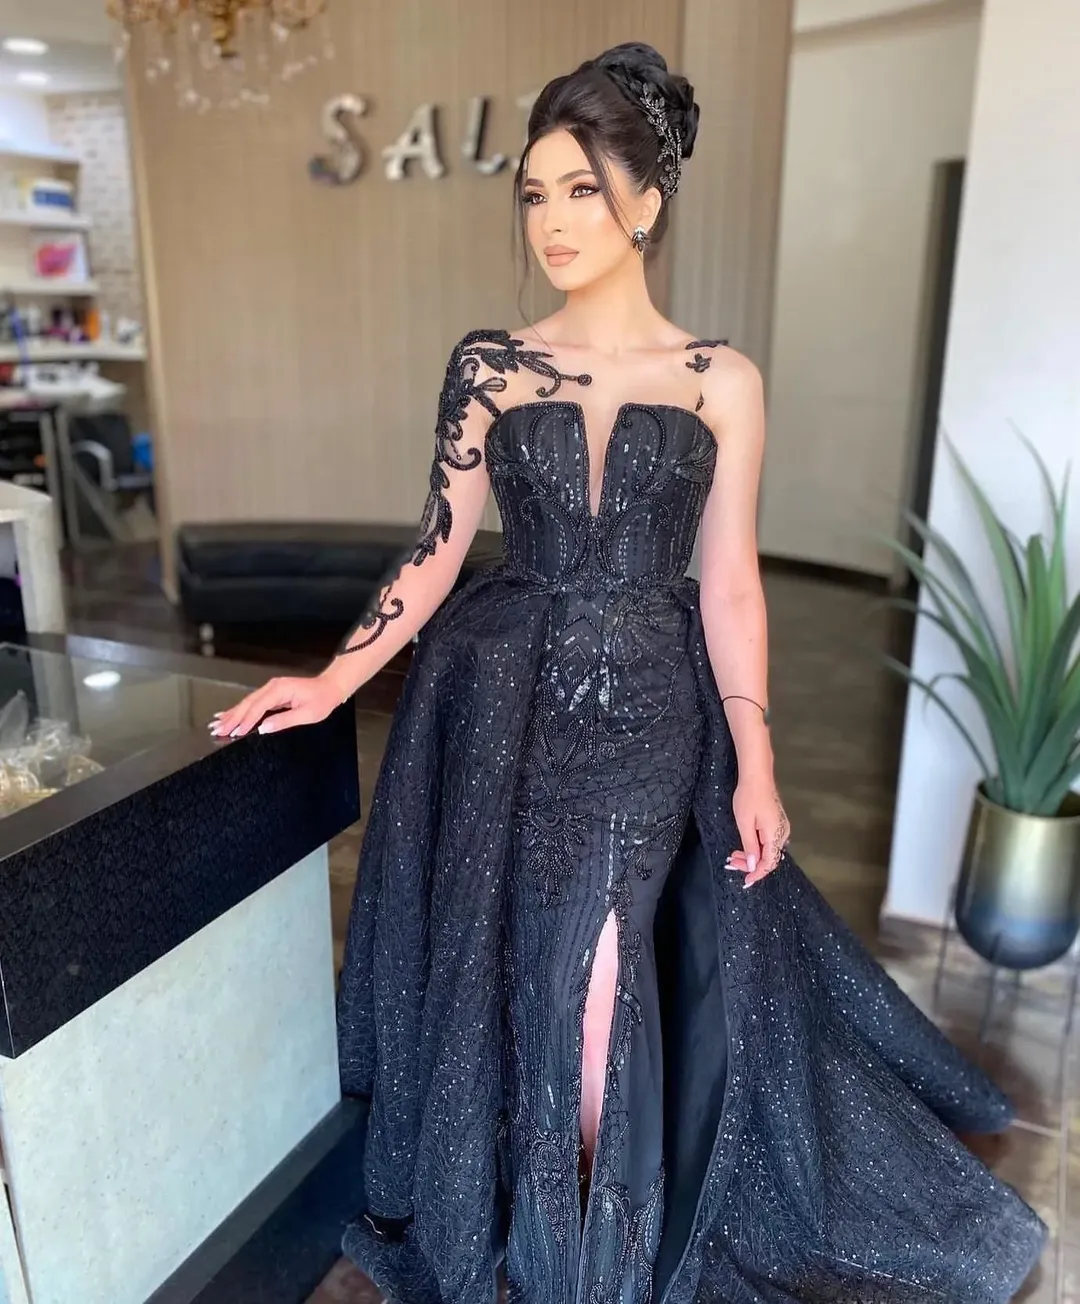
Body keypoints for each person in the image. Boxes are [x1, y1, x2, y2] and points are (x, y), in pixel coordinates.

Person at [213, 42, 1046, 1304]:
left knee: (601, 978)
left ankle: (591, 1257)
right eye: (534, 193)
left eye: (582, 190)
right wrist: (331, 681)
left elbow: (731, 583)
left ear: (647, 202)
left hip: (654, 705)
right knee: (524, 969)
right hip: (506, 709)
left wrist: (757, 756)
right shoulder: (489, 364)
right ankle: (542, 1225)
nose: (551, 220)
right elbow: (436, 549)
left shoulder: (723, 381)